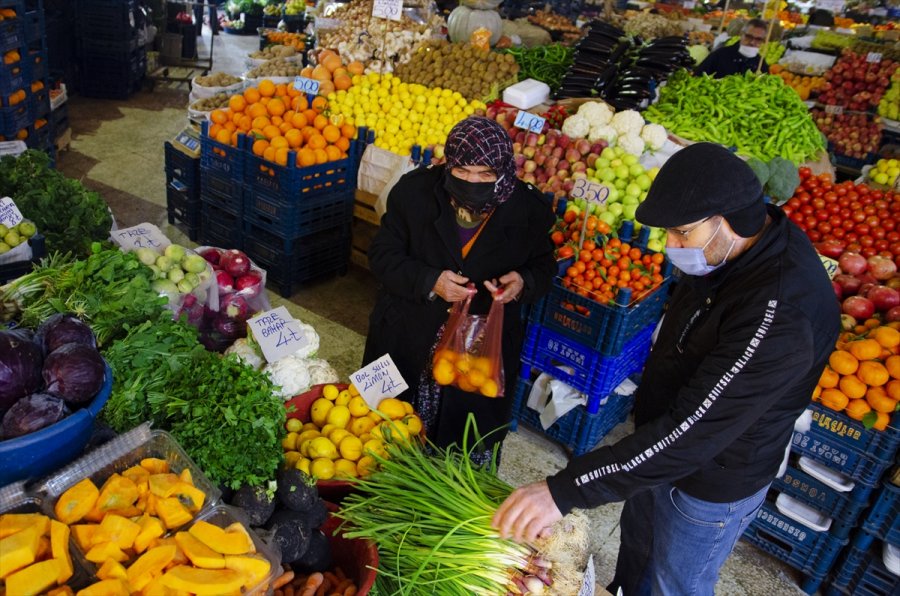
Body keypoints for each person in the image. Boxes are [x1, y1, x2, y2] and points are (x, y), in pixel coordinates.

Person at [492, 142, 840, 595]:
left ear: (728, 221)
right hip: (658, 449)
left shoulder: (779, 316)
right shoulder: (731, 250)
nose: (672, 246)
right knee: (636, 564)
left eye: (681, 232)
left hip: (708, 481)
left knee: (672, 584)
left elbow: (694, 433)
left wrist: (565, 490)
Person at [363, 116, 556, 463]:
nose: (473, 181)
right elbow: (382, 255)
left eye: (486, 174)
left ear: (503, 169)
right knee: (389, 434)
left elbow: (544, 266)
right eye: (463, 171)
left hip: (477, 350)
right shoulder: (414, 193)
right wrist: (429, 281)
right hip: (411, 332)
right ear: (448, 163)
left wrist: (523, 281)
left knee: (462, 445)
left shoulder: (529, 210)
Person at [696, 18, 770, 78]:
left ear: (763, 41)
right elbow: (698, 76)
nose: (752, 42)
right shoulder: (720, 55)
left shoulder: (761, 64)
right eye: (749, 37)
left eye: (758, 39)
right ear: (741, 34)